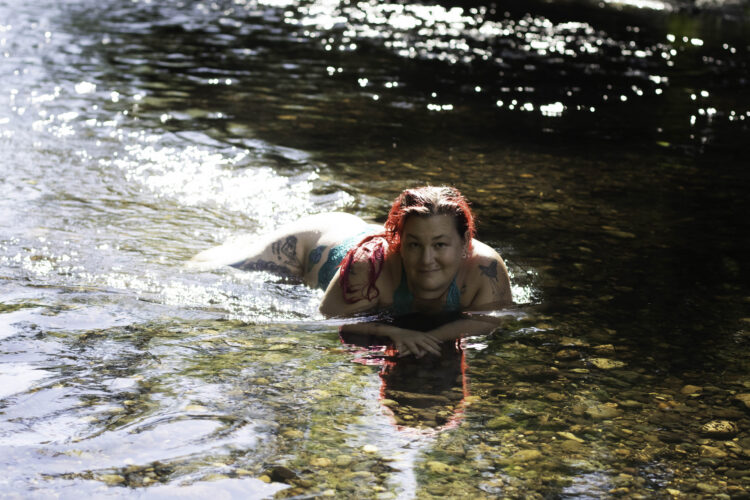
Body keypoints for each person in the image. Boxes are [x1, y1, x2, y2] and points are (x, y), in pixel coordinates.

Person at [191, 186, 513, 356]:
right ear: (398, 242)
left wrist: (429, 337)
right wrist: (396, 333)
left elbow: (490, 321)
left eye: (440, 245)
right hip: (314, 243)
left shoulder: (485, 270)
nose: (426, 259)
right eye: (414, 244)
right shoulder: (368, 265)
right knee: (202, 268)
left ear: (465, 243)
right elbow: (329, 319)